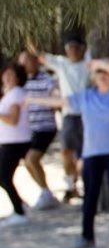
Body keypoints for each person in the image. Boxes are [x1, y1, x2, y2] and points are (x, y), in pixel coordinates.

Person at [28, 57, 109, 248]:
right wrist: (31, 100)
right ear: (93, 78)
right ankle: (87, 236)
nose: (104, 77)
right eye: (99, 75)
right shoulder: (86, 96)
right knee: (90, 197)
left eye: (107, 74)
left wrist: (101, 64)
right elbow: (62, 101)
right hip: (93, 154)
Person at [27, 37, 90, 200]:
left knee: (85, 152)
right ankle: (71, 185)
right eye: (70, 48)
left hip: (87, 114)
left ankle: (85, 182)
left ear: (81, 49)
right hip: (69, 114)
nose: (73, 51)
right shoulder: (61, 64)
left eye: (76, 48)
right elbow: (39, 55)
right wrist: (29, 36)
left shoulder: (87, 64)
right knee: (66, 151)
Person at [17, 52, 61, 211]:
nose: (24, 66)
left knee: (31, 159)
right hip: (29, 129)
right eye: (22, 63)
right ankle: (45, 191)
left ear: (35, 62)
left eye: (27, 62)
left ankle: (46, 193)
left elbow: (56, 98)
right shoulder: (20, 82)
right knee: (28, 162)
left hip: (45, 127)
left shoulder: (46, 80)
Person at [1, 64, 31, 227]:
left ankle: (19, 212)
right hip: (9, 141)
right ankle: (19, 205)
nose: (7, 77)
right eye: (5, 74)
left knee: (4, 176)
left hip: (15, 142)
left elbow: (13, 120)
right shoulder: (9, 94)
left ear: (18, 78)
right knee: (3, 177)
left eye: (11, 75)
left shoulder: (16, 94)